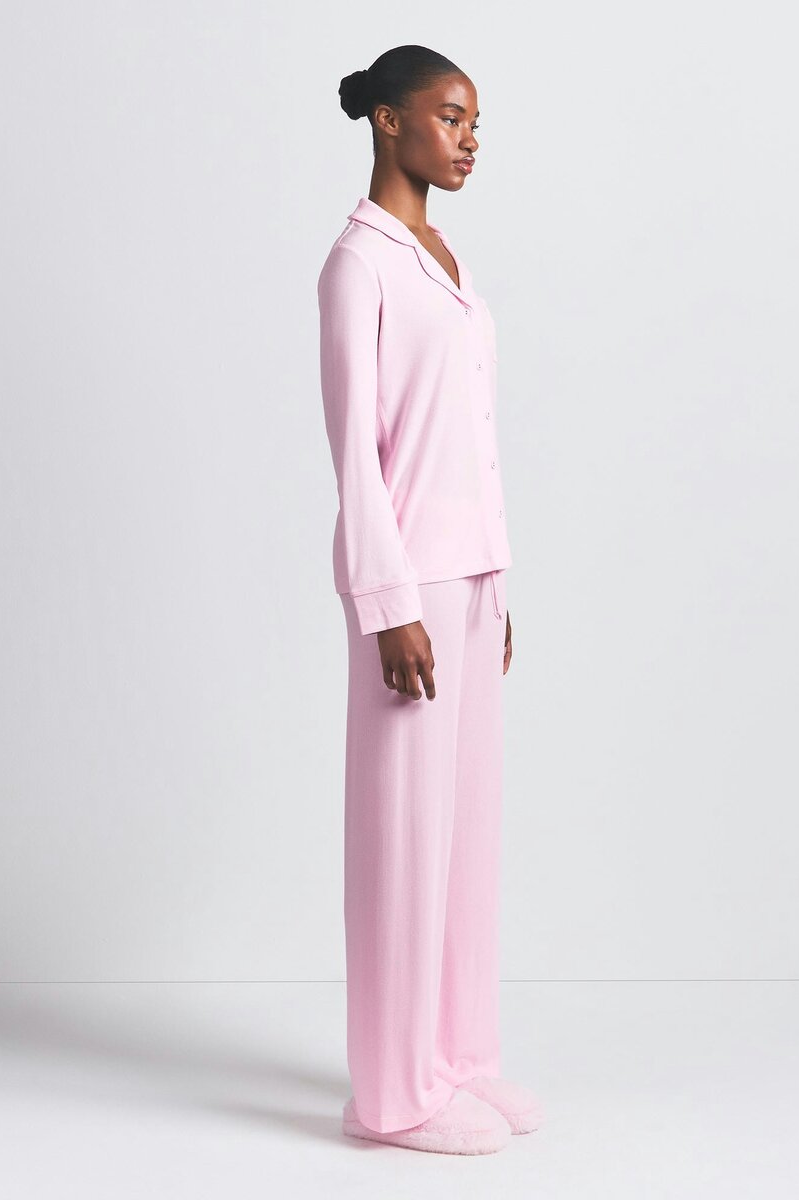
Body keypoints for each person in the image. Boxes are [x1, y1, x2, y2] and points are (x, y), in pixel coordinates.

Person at [317, 44, 543, 1156]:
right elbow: (357, 458)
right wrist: (387, 602)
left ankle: (456, 1058)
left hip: (472, 575)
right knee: (403, 844)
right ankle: (392, 1095)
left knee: (463, 837)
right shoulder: (357, 266)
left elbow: (467, 434)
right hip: (407, 585)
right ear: (390, 121)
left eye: (476, 122)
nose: (469, 139)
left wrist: (494, 577)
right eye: (451, 117)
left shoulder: (443, 256)